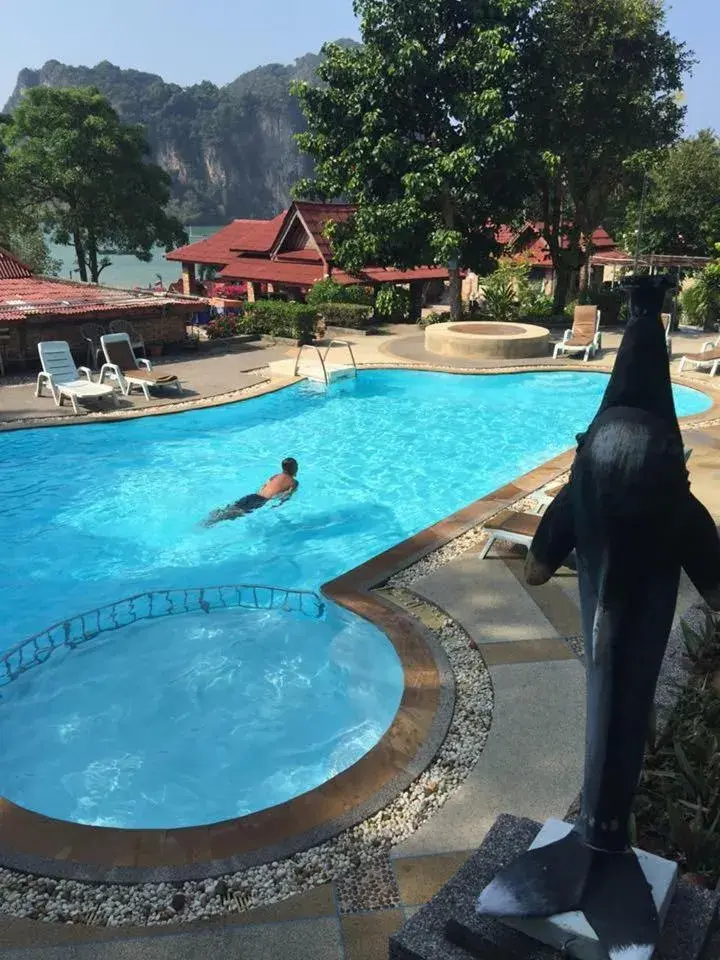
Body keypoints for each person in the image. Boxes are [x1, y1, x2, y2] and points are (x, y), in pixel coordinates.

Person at [203, 458, 299, 527]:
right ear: (294, 468)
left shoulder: (275, 476)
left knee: (233, 507)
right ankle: (212, 522)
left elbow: (263, 486)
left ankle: (216, 514)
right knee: (238, 513)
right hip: (262, 500)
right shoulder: (293, 482)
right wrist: (277, 505)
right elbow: (286, 496)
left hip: (253, 496)